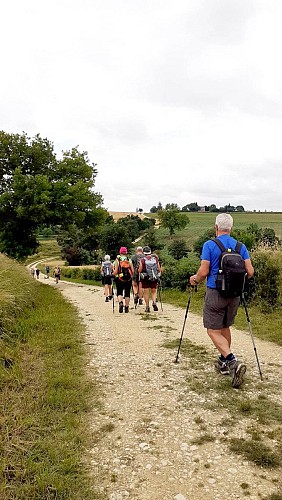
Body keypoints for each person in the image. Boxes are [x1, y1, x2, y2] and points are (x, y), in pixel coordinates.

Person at [189, 213, 254, 388]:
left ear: (216, 227)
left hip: (215, 292)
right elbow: (250, 271)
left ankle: (232, 362)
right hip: (234, 295)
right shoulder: (241, 246)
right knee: (225, 327)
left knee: (212, 330)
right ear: (230, 228)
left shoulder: (210, 245)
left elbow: (203, 272)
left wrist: (194, 279)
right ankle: (224, 362)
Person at [138, 246, 161, 313]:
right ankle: (154, 302)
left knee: (146, 293)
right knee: (154, 291)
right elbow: (159, 269)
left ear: (143, 252)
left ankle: (147, 307)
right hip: (154, 277)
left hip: (146, 278)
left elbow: (139, 270)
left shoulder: (142, 260)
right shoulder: (155, 259)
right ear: (150, 252)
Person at [113, 247, 134, 313]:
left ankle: (120, 303)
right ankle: (127, 307)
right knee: (127, 293)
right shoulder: (129, 260)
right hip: (128, 279)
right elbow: (132, 270)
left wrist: (112, 274)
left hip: (119, 278)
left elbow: (116, 271)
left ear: (120, 252)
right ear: (126, 252)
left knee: (119, 292)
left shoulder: (117, 260)